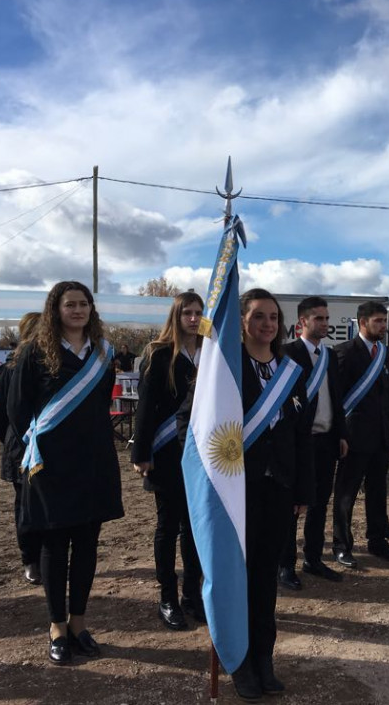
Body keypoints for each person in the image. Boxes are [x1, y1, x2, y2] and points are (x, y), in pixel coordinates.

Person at [180, 288, 312, 699]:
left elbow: (300, 436)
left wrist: (301, 488)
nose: (267, 324)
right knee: (234, 578)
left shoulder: (291, 369)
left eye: (273, 317)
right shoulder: (224, 367)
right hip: (233, 491)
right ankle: (238, 662)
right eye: (258, 317)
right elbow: (193, 420)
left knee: (264, 580)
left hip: (277, 490)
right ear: (242, 321)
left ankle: (263, 658)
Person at [7, 281, 125, 666]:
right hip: (51, 466)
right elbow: (17, 410)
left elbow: (100, 401)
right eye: (69, 304)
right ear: (54, 310)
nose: (77, 310)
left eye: (83, 304)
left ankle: (79, 623)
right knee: (55, 548)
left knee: (88, 546)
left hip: (93, 463)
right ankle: (56, 626)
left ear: (92, 309)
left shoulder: (103, 353)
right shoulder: (34, 352)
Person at [131, 292, 205, 630]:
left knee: (195, 529)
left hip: (202, 455)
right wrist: (141, 451)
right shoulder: (159, 353)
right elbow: (145, 407)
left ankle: (193, 594)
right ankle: (167, 598)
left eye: (198, 312)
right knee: (168, 527)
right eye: (187, 312)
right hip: (166, 453)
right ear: (176, 316)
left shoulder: (211, 352)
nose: (193, 318)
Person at [278, 296, 348, 589]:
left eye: (327, 318)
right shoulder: (286, 353)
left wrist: (341, 433)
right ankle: (285, 566)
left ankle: (313, 558)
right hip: (298, 444)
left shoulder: (330, 356)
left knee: (319, 504)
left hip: (327, 441)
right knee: (293, 506)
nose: (325, 324)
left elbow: (336, 396)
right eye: (319, 318)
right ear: (302, 322)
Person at [332, 301, 389, 567]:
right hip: (354, 436)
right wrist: (340, 434)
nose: (383, 326)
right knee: (346, 493)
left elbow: (384, 394)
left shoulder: (384, 353)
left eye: (384, 321)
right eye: (378, 321)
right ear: (362, 323)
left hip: (381, 436)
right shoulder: (345, 352)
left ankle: (378, 541)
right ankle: (341, 544)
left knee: (377, 491)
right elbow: (337, 399)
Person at [0, 311, 43, 585]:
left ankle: (45, 558)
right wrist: (16, 441)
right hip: (22, 448)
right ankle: (30, 560)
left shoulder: (52, 366)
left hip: (48, 447)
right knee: (25, 506)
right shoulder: (9, 370)